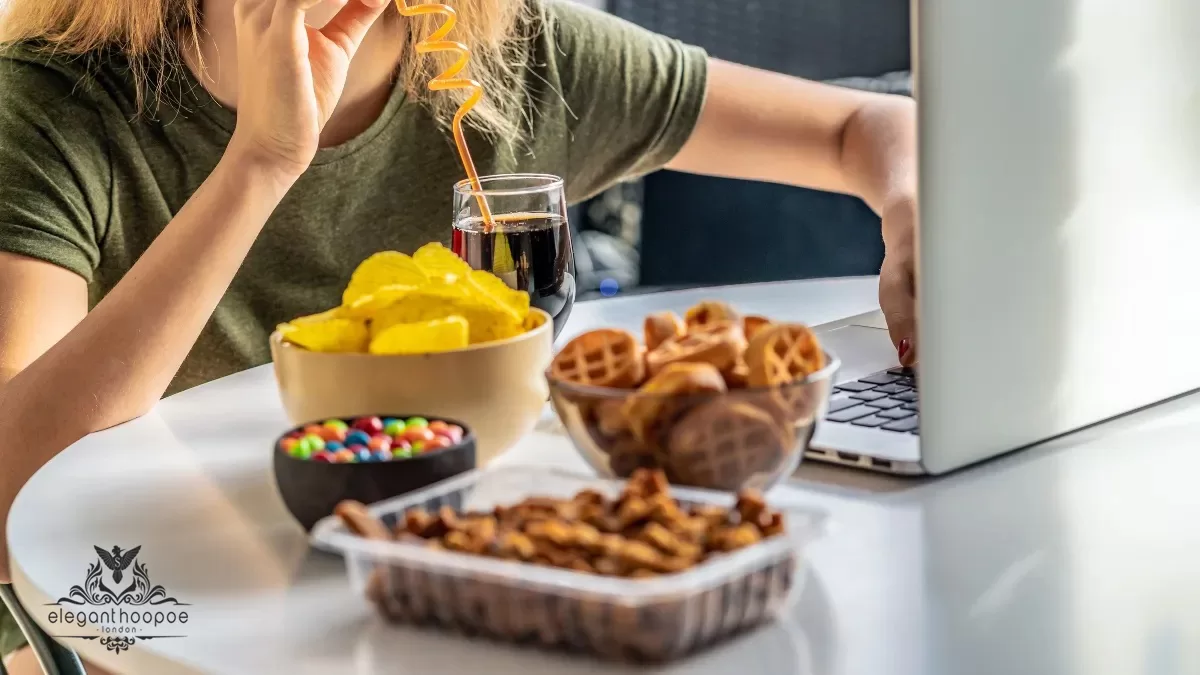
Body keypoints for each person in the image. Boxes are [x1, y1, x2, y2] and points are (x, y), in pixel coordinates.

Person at [0, 0, 917, 670]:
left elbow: (866, 129)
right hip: (177, 630)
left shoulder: (507, 53)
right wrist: (264, 161)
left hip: (456, 616)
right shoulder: (56, 100)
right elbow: (13, 496)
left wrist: (911, 212)